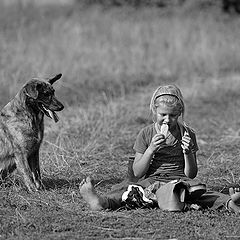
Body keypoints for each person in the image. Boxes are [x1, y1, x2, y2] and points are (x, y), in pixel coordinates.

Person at [80, 85, 240, 213]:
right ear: (154, 110)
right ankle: (100, 201)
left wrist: (188, 152)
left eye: (173, 115)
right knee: (129, 191)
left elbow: (191, 174)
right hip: (151, 180)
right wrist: (151, 149)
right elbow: (137, 172)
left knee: (203, 192)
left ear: (180, 113)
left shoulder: (187, 134)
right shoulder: (146, 133)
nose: (167, 119)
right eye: (163, 114)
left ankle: (230, 203)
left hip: (181, 180)